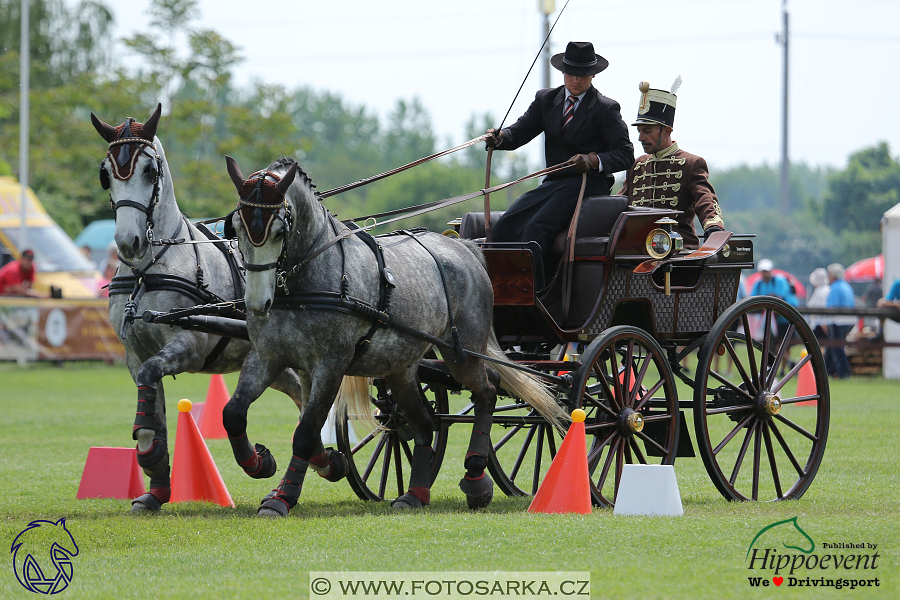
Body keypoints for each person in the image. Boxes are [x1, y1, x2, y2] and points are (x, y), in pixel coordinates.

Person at [486, 41, 634, 287]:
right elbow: (520, 131)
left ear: (592, 74)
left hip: (588, 185)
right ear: (563, 72)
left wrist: (592, 160)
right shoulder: (547, 100)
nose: (575, 80)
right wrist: (500, 138)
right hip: (554, 183)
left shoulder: (605, 108)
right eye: (571, 73)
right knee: (504, 226)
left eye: (582, 75)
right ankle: (498, 288)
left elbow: (625, 154)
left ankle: (534, 293)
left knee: (536, 227)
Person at [621, 79, 724, 249]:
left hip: (678, 248)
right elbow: (621, 201)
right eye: (639, 131)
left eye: (647, 131)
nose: (640, 138)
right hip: (637, 248)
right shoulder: (636, 165)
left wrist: (713, 225)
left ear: (667, 130)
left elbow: (704, 198)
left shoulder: (691, 163)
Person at [825, 263, 855, 379]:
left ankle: (844, 372)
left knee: (836, 348)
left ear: (833, 276)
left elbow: (830, 307)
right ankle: (828, 371)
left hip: (837, 321)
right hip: (848, 321)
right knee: (834, 347)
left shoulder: (834, 288)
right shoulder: (847, 286)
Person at [807, 267, 831, 339]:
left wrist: (824, 323)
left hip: (819, 325)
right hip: (823, 324)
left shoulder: (820, 292)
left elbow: (822, 309)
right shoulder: (828, 289)